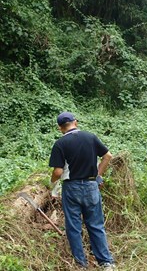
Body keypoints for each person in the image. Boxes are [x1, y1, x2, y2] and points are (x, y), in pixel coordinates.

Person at [49, 112, 115, 270]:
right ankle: (106, 262)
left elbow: (58, 172)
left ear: (60, 128)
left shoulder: (60, 144)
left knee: (74, 226)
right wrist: (98, 175)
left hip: (71, 188)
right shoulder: (90, 137)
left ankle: (81, 264)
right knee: (96, 225)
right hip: (91, 186)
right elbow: (108, 156)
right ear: (75, 122)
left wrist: (52, 184)